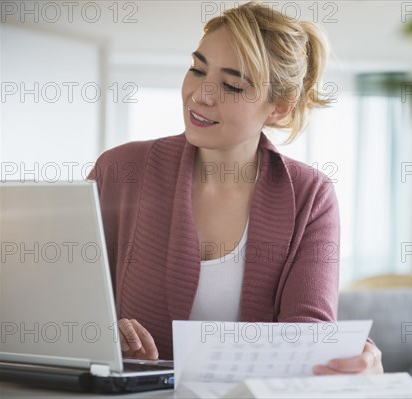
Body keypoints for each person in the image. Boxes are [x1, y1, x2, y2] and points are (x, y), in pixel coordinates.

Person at [89, 1, 382, 375]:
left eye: (231, 85)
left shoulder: (311, 196)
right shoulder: (119, 171)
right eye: (197, 69)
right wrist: (101, 335)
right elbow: (63, 299)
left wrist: (353, 355)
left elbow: (307, 337)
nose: (201, 95)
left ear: (279, 109)